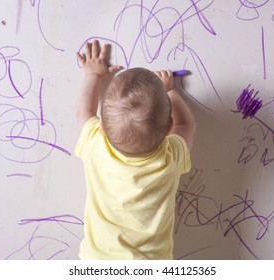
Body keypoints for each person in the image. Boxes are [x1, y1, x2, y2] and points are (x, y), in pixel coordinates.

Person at [75, 40, 195, 259]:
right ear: (168, 128)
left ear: (101, 126)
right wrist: (169, 90)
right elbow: (186, 125)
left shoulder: (95, 145)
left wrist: (93, 75)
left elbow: (83, 110)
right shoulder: (170, 158)